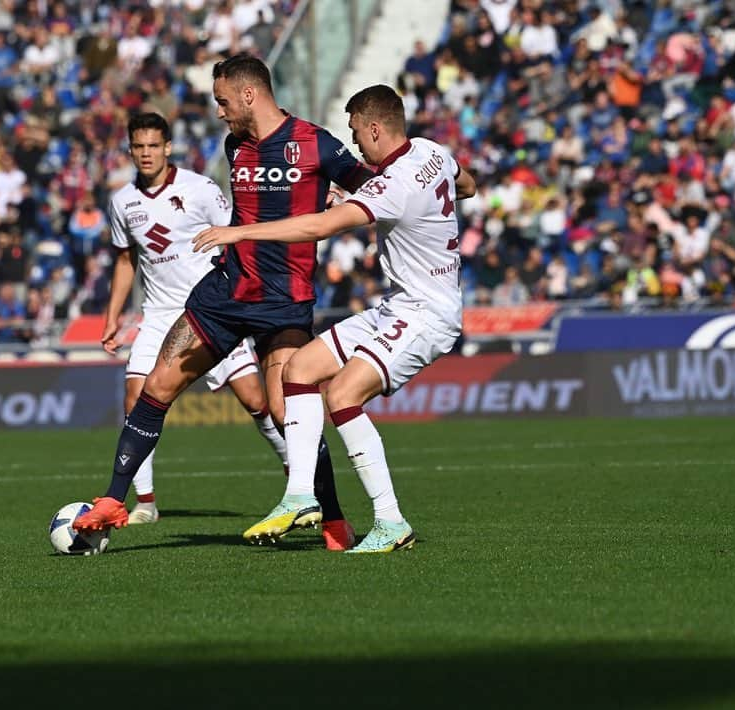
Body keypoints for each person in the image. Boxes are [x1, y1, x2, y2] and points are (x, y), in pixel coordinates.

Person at [73, 53, 375, 551]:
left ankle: (334, 520)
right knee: (157, 385)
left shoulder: (316, 144)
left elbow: (373, 189)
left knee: (284, 409)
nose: (219, 111)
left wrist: (349, 204)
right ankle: (113, 499)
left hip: (285, 300)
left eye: (223, 100)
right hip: (226, 292)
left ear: (249, 94)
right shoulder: (235, 145)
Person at [192, 84, 477, 553]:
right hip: (399, 305)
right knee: (300, 370)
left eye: (357, 134)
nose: (356, 146)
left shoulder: (395, 183)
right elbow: (467, 185)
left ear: (374, 128)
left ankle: (390, 522)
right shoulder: (432, 152)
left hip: (427, 314)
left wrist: (239, 231)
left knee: (343, 395)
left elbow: (319, 227)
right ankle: (301, 495)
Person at [101, 112, 289, 525]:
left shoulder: (200, 189)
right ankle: (144, 502)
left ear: (168, 147)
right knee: (136, 399)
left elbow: (238, 235)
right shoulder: (122, 202)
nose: (146, 153)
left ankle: (296, 475)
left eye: (154, 145)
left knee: (257, 402)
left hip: (211, 309)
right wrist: (113, 316)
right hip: (158, 314)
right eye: (139, 147)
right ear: (130, 150)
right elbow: (125, 260)